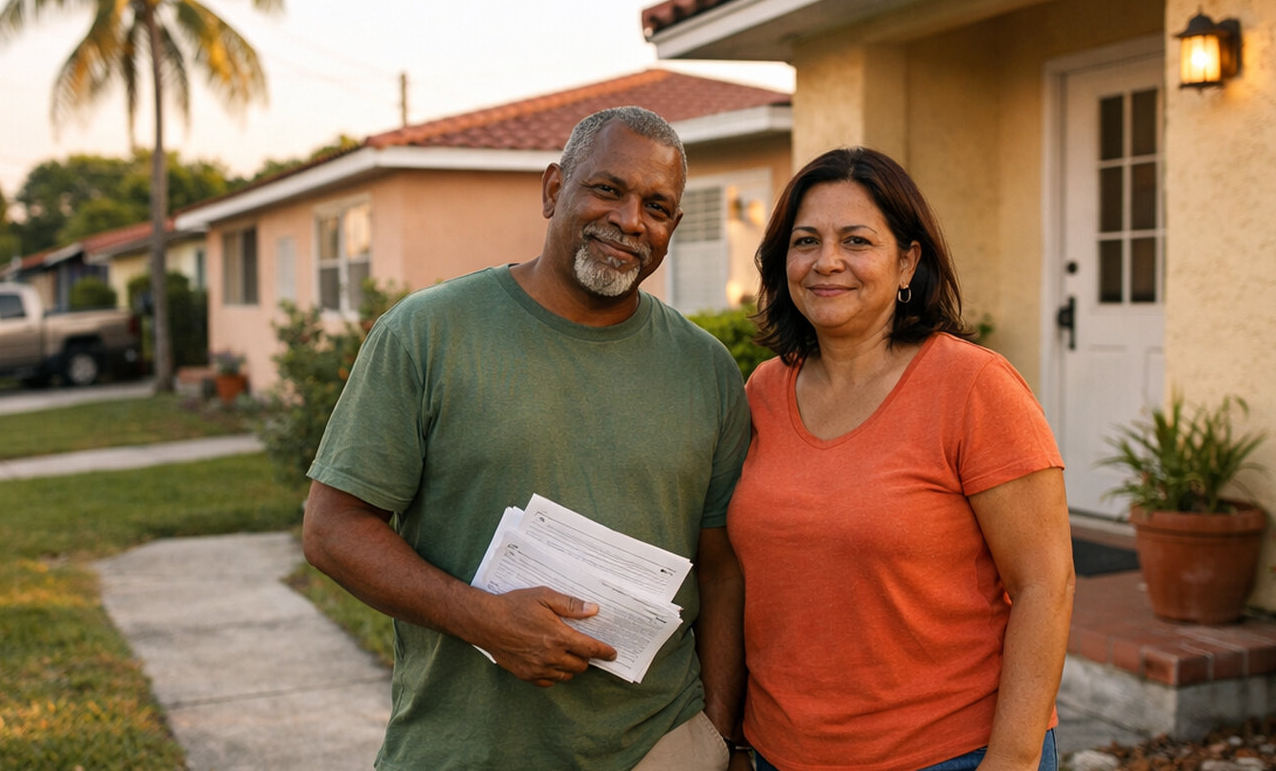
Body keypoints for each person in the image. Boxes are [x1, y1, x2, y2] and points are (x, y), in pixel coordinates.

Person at [301, 106, 755, 770]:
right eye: (607, 189)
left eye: (655, 205)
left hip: (658, 745)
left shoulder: (707, 369)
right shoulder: (429, 334)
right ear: (552, 190)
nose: (630, 220)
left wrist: (720, 736)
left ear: (673, 228)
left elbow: (721, 570)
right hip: (467, 749)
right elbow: (332, 527)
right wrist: (480, 617)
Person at [728, 147, 1075, 771]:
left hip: (948, 753)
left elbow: (1044, 584)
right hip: (782, 753)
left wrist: (1014, 761)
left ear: (908, 261)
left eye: (856, 240)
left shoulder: (975, 387)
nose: (827, 261)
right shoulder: (763, 391)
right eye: (806, 240)